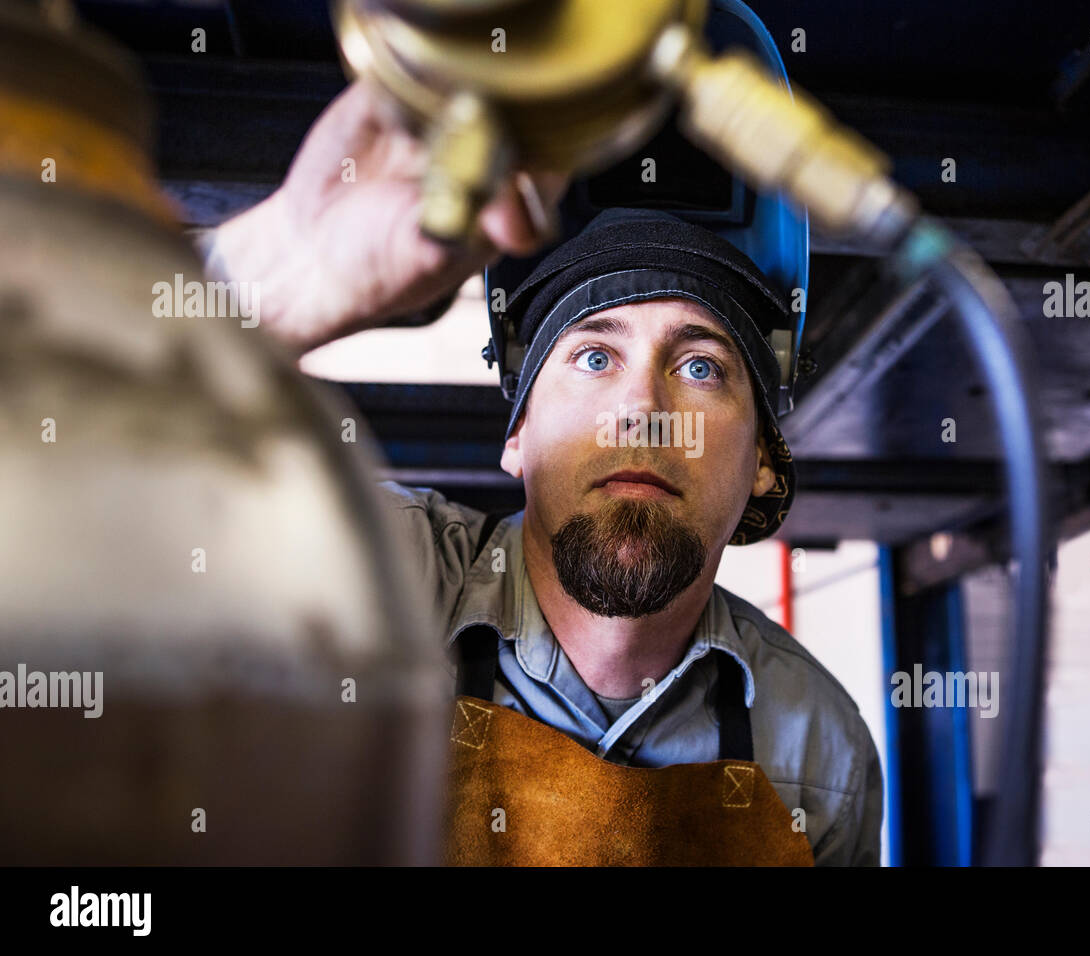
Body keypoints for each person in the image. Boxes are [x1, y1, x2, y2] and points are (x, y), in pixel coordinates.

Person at [200, 78, 883, 866]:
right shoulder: (383, 585)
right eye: (595, 356)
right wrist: (286, 266)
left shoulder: (819, 753)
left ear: (763, 461)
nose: (640, 412)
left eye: (699, 367)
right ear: (518, 432)